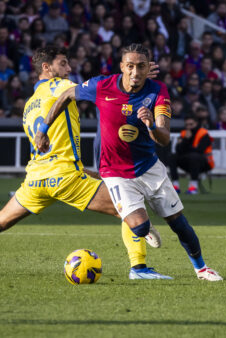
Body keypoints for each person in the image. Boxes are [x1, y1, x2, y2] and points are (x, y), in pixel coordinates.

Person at [36, 43, 222, 281]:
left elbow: (164, 139)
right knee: (140, 227)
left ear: (149, 68)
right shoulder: (101, 86)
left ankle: (201, 269)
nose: (135, 72)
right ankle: (143, 234)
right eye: (131, 66)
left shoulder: (157, 91)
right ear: (122, 67)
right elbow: (65, 95)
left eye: (141, 66)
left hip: (149, 167)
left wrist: (151, 125)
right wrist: (43, 130)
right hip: (114, 172)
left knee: (179, 223)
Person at [0, 46, 163, 279]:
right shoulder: (60, 86)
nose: (69, 69)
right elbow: (104, 87)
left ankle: (139, 240)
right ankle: (139, 268)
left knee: (2, 222)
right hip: (64, 178)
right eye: (63, 63)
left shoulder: (30, 104)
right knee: (128, 204)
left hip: (35, 180)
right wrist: (133, 75)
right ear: (46, 68)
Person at [170, 115, 214, 195]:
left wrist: (185, 147)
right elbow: (178, 150)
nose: (189, 127)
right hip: (189, 160)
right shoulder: (184, 133)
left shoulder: (204, 134)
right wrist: (186, 140)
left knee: (194, 156)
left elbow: (200, 150)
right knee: (172, 156)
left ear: (196, 123)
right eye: (187, 125)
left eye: (191, 124)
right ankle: (175, 185)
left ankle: (193, 186)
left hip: (204, 163)